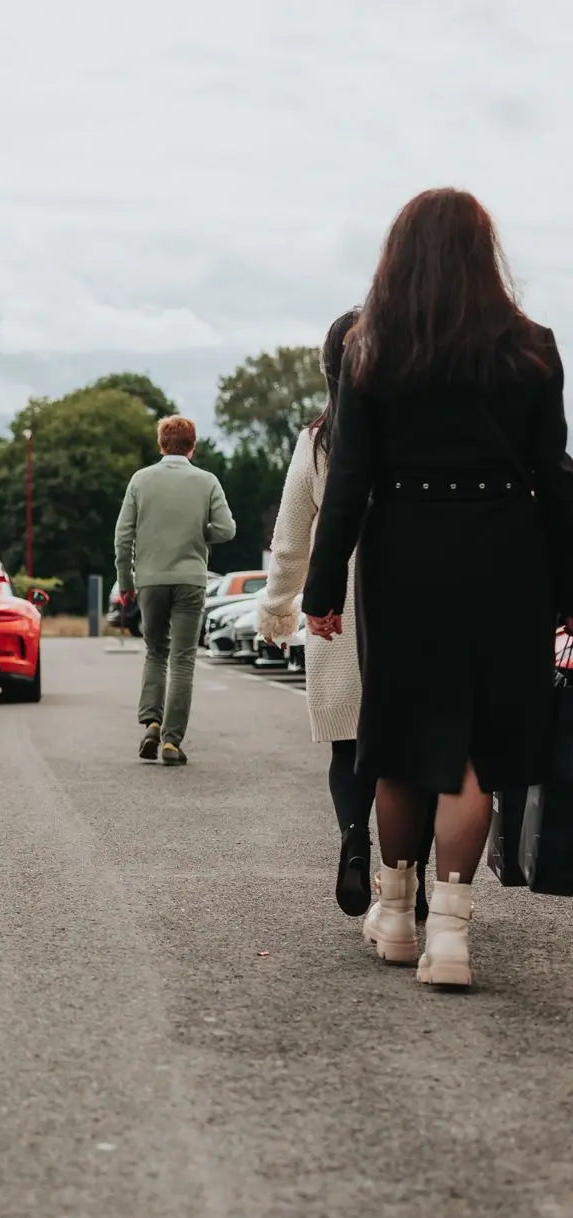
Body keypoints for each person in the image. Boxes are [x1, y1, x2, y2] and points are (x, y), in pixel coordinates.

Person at [304, 188, 573, 990]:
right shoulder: (532, 348)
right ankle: (450, 936)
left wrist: (324, 587)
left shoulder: (370, 348)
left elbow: (349, 480)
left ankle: (393, 916)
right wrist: (567, 589)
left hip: (403, 557)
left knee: (398, 736)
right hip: (504, 558)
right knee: (473, 755)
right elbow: (555, 479)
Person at [258, 311, 431, 921]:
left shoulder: (319, 439)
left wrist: (278, 610)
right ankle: (416, 881)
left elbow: (291, 538)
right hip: (409, 605)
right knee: (416, 751)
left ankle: (354, 842)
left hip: (337, 613)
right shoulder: (422, 429)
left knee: (348, 747)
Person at [114, 415, 237, 765]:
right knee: (183, 659)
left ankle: (152, 721)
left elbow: (123, 537)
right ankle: (171, 741)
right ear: (192, 446)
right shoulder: (207, 481)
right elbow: (227, 529)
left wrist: (126, 582)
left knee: (155, 651)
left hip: (150, 579)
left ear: (161, 445)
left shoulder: (141, 480)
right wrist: (199, 533)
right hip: (191, 579)